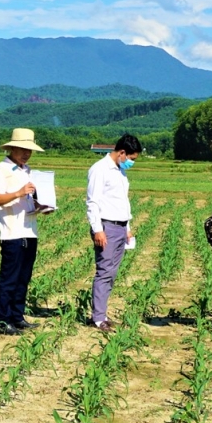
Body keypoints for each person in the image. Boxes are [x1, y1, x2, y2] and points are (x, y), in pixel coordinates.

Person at [0, 128, 53, 335]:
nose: (26, 154)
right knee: (9, 278)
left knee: (23, 278)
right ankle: (2, 320)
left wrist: (42, 206)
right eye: (23, 149)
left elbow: (27, 200)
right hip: (12, 233)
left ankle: (17, 317)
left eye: (29, 150)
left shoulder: (27, 170)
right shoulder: (2, 169)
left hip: (30, 231)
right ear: (12, 148)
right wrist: (18, 193)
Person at [86, 134, 142, 333]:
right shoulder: (99, 170)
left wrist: (127, 228)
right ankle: (98, 318)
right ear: (122, 153)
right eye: (131, 159)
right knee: (104, 272)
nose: (131, 163)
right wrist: (98, 230)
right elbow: (93, 202)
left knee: (112, 273)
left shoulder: (120, 171)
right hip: (106, 227)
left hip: (120, 227)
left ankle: (103, 314)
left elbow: (121, 201)